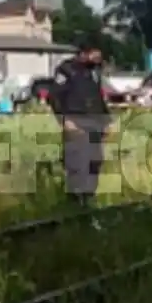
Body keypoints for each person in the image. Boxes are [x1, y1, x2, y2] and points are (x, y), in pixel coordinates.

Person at [50, 40, 110, 210]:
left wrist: (107, 122)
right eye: (94, 53)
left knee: (94, 161)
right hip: (75, 121)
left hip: (95, 122)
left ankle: (89, 198)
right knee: (77, 162)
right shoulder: (66, 69)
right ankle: (75, 202)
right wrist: (64, 120)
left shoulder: (95, 71)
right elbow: (54, 97)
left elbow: (99, 98)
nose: (98, 57)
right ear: (83, 53)